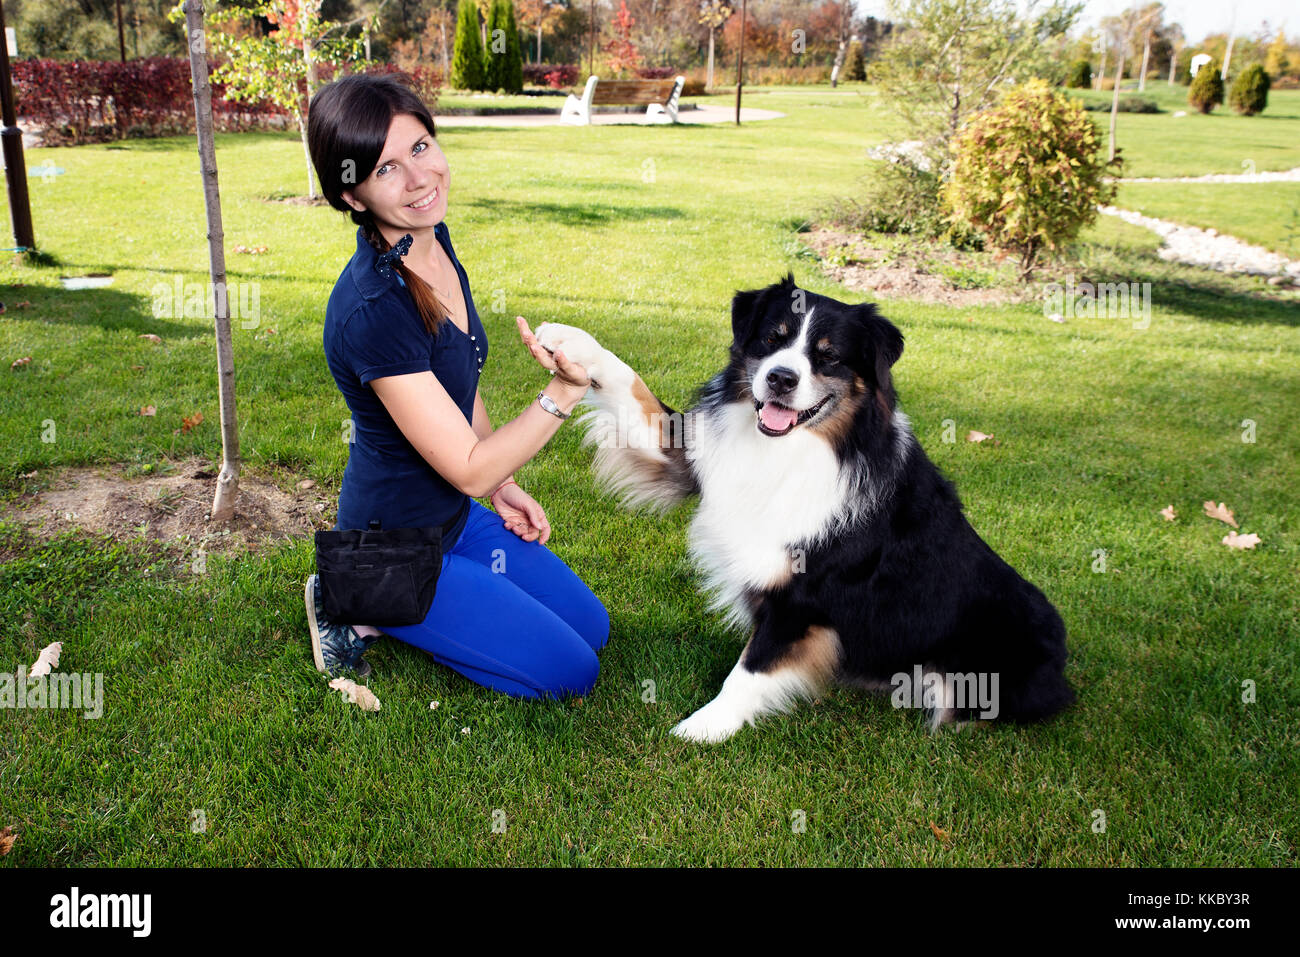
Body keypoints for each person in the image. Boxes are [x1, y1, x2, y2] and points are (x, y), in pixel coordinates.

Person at [303, 73, 609, 699]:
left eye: (420, 148)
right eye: (385, 169)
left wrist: (504, 486)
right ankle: (353, 596)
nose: (419, 179)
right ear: (353, 195)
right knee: (572, 673)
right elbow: (467, 468)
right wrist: (562, 394)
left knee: (593, 627)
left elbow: (460, 387)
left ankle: (410, 593)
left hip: (455, 520)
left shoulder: (431, 239)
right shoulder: (373, 310)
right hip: (396, 546)